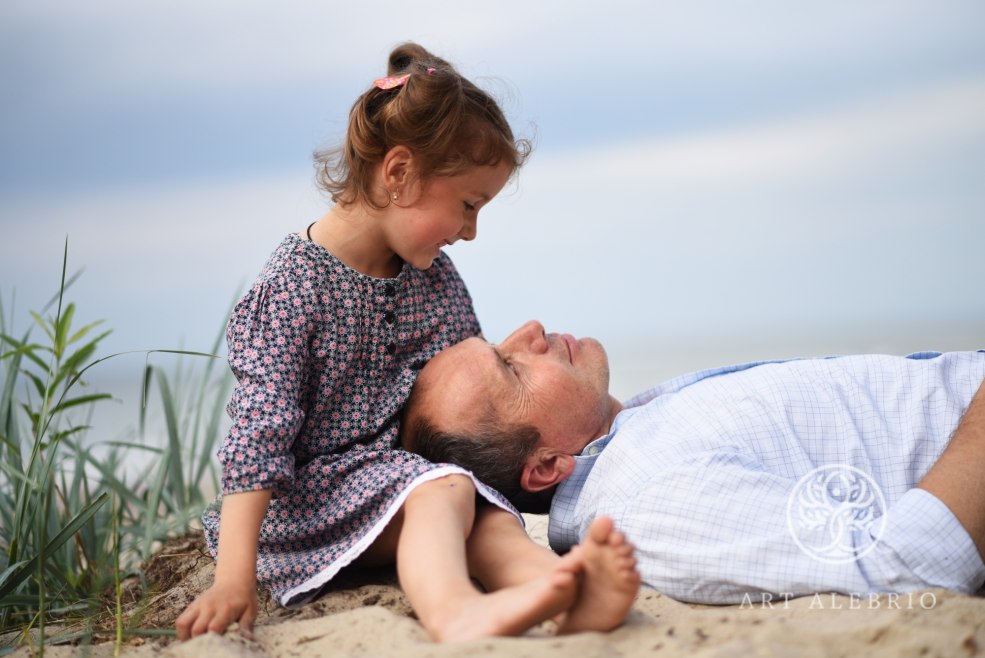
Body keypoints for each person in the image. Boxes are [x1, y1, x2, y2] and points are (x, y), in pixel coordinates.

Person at [176, 46, 640, 643]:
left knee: (484, 501)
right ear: (399, 174)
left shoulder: (434, 279)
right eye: (468, 205)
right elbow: (257, 438)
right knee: (442, 487)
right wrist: (232, 579)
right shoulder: (294, 287)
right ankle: (456, 613)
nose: (470, 231)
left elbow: (468, 403)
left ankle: (561, 587)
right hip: (304, 508)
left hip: (402, 489)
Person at [402, 319, 985, 604]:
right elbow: (905, 565)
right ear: (548, 465)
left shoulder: (642, 437)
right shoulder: (649, 500)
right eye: (512, 368)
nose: (528, 331)